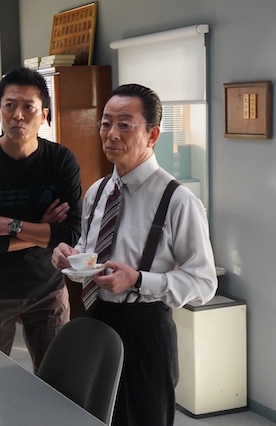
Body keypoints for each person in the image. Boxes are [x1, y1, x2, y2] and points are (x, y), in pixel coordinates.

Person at [52, 83, 217, 426]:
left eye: (125, 125)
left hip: (146, 329)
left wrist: (139, 280)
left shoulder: (178, 200)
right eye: (106, 123)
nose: (111, 134)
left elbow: (203, 283)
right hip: (95, 319)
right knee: (92, 416)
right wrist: (72, 256)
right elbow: (91, 250)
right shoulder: (98, 191)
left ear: (152, 134)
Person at [0, 66, 82, 370]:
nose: (18, 115)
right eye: (10, 105)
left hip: (47, 290)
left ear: (44, 114)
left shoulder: (60, 161)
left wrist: (9, 226)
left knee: (56, 380)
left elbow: (70, 233)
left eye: (29, 107)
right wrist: (43, 231)